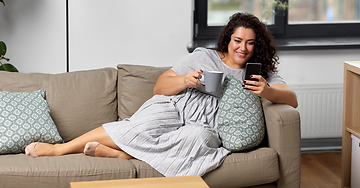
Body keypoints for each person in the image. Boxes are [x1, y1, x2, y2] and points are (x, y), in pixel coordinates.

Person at [25, 12, 298, 177]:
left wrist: (268, 90)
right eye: (238, 41)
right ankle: (60, 149)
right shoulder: (204, 56)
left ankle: (126, 156)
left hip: (208, 123)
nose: (243, 48)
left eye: (250, 43)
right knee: (141, 126)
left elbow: (291, 99)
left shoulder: (258, 71)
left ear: (257, 45)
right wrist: (185, 79)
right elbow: (160, 86)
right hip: (178, 104)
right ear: (228, 39)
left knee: (198, 139)